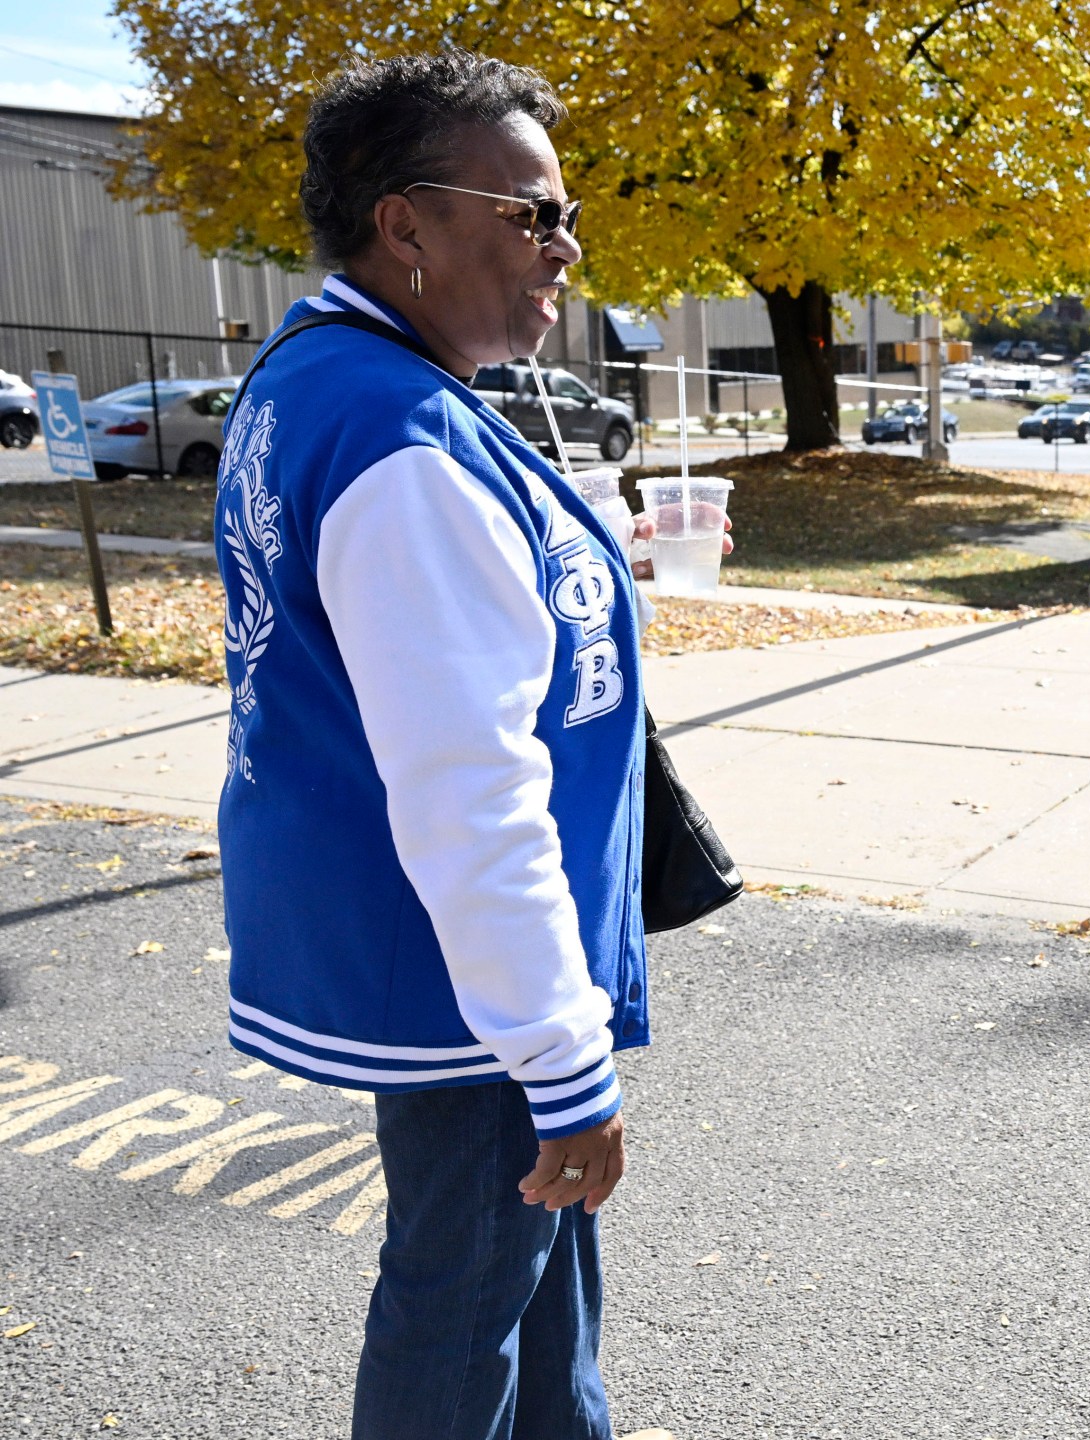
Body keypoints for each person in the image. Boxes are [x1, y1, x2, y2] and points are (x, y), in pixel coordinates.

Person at [214, 50, 653, 1438]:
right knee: (460, 1309)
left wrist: (566, 543)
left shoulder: (327, 372)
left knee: (533, 1294)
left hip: (451, 965)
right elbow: (471, 787)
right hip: (468, 984)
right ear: (405, 223)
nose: (564, 249)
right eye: (529, 213)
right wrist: (559, 1058)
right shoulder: (404, 438)